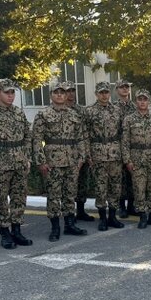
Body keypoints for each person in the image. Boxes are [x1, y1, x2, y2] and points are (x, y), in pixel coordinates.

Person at [32, 81, 89, 241]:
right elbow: (37, 140)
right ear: (51, 95)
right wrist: (40, 161)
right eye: (56, 92)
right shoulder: (43, 114)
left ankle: (70, 225)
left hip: (72, 160)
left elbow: (80, 138)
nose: (59, 95)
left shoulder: (74, 115)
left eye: (62, 92)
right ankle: (55, 227)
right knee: (54, 195)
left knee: (70, 194)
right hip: (52, 161)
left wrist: (81, 158)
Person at [0, 78, 33, 248]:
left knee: (19, 197)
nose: (10, 95)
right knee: (0, 198)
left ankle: (17, 230)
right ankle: (4, 232)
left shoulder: (18, 112)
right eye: (7, 92)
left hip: (19, 160)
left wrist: (27, 157)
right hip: (1, 162)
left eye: (12, 92)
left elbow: (27, 135)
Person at [122, 89, 151, 229]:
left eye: (145, 99)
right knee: (139, 188)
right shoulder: (129, 119)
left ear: (149, 101)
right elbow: (125, 142)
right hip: (136, 158)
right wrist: (127, 160)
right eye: (140, 99)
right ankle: (142, 215)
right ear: (136, 101)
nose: (142, 102)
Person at [85, 81, 125, 231]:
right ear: (96, 94)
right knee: (100, 187)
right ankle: (102, 218)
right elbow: (85, 134)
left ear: (110, 93)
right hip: (98, 154)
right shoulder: (89, 111)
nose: (104, 95)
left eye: (106, 92)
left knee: (115, 186)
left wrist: (123, 153)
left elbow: (122, 133)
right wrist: (88, 155)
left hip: (115, 154)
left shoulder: (117, 110)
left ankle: (112, 217)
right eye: (101, 92)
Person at [67, 85, 95, 223]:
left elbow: (87, 132)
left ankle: (80, 210)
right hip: (66, 152)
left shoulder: (82, 111)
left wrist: (87, 153)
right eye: (68, 91)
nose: (71, 93)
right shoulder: (59, 110)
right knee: (68, 184)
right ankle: (69, 213)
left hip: (81, 150)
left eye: (73, 90)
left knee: (83, 181)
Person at [114, 79, 138, 218]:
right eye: (121, 87)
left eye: (126, 87)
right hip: (117, 147)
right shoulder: (113, 108)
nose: (125, 89)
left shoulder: (135, 107)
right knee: (120, 177)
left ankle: (131, 206)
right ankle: (122, 206)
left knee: (132, 176)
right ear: (116, 90)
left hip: (132, 147)